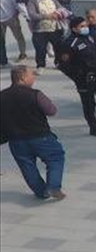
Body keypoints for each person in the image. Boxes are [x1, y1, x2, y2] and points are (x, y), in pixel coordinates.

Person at [0, 65, 67, 200]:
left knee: (27, 166)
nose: (34, 77)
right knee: (55, 157)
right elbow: (51, 111)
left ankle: (41, 192)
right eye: (32, 74)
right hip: (40, 136)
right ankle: (53, 187)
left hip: (16, 139)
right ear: (23, 77)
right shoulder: (35, 94)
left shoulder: (2, 96)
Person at [25, 0, 68, 71]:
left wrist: (58, 14)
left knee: (58, 48)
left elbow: (62, 9)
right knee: (40, 49)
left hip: (55, 29)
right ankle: (40, 65)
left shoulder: (53, 0)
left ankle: (59, 63)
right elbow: (32, 15)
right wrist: (46, 16)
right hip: (40, 31)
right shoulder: (32, 2)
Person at [0, 0, 28, 66]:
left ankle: (23, 54)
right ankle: (3, 60)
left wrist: (16, 15)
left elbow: (17, 5)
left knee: (19, 36)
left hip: (11, 18)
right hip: (0, 21)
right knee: (1, 41)